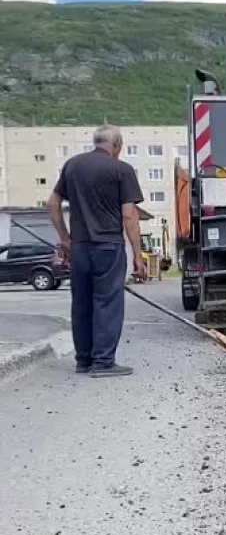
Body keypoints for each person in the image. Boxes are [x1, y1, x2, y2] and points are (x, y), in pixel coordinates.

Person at [47, 124, 147, 377]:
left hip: (80, 247)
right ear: (117, 146)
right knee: (107, 303)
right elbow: (129, 216)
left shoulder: (72, 165)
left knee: (81, 303)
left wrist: (65, 239)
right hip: (108, 247)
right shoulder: (121, 170)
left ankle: (83, 361)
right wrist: (138, 255)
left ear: (96, 142)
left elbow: (53, 204)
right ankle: (103, 363)